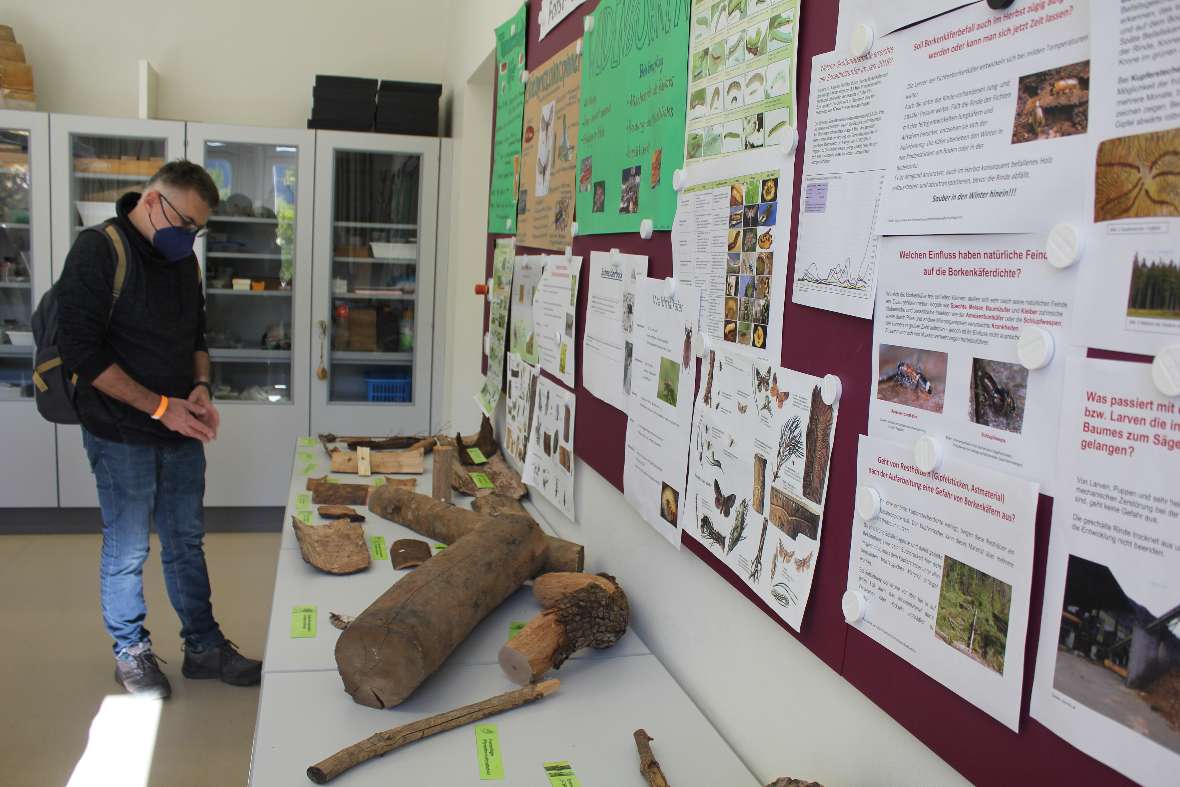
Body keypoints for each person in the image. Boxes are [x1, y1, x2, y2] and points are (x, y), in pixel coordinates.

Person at [56, 160, 261, 698]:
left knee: (186, 541)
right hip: (119, 430)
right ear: (151, 201)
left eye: (198, 228)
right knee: (127, 549)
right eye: (184, 222)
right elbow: (79, 351)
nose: (189, 235)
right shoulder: (99, 250)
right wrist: (158, 408)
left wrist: (200, 389)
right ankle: (131, 652)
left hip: (179, 427)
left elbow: (197, 333)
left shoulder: (183, 262)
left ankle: (203, 646)